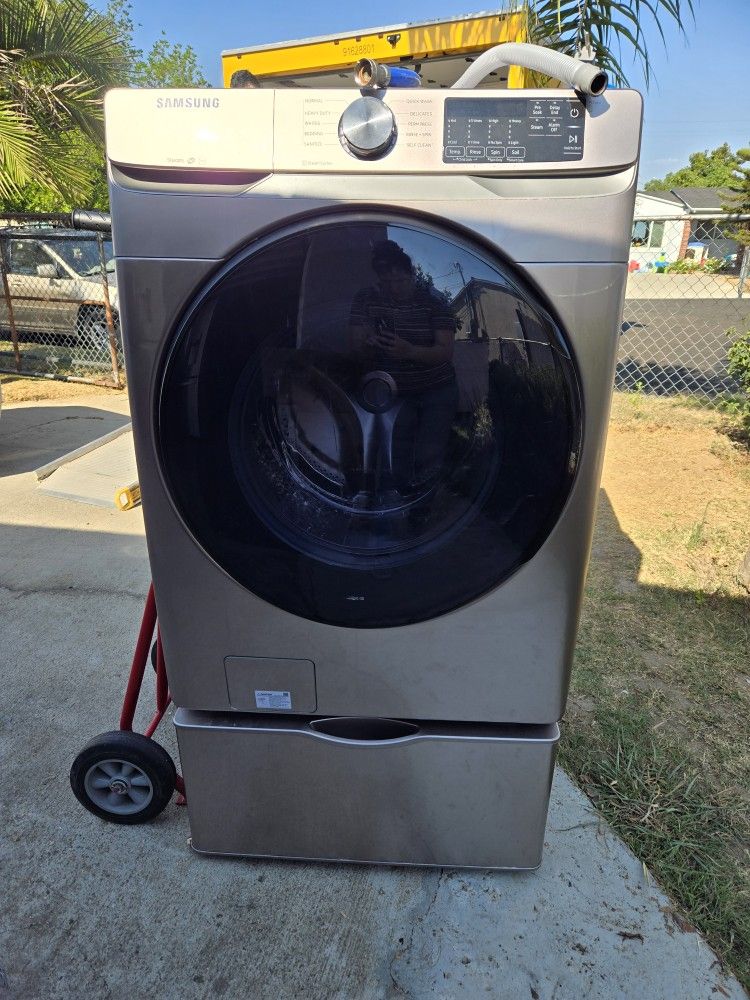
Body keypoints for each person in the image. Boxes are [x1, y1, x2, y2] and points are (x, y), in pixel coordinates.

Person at [349, 240, 458, 491]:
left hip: (436, 389)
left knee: (429, 453)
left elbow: (445, 352)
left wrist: (408, 350)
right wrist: (369, 343)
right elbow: (354, 347)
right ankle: (399, 503)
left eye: (400, 281)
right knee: (396, 451)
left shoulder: (434, 300)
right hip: (393, 391)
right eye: (386, 282)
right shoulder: (366, 298)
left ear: (412, 275)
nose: (394, 288)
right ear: (378, 279)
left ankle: (421, 510)